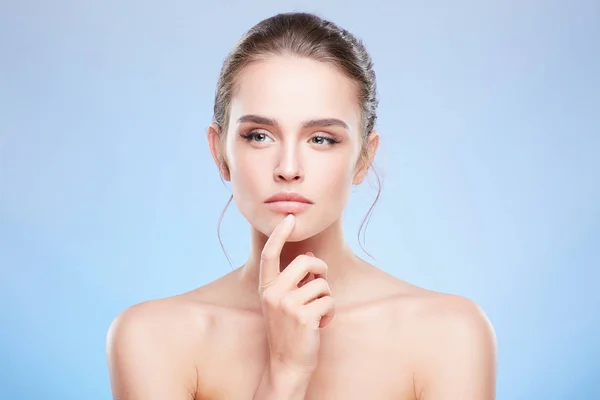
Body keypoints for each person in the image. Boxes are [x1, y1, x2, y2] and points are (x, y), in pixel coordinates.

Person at [106, 11, 497, 400]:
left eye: (322, 139)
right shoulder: (151, 338)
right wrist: (286, 373)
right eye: (259, 136)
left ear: (363, 158)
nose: (288, 168)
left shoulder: (449, 334)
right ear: (219, 152)